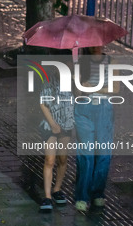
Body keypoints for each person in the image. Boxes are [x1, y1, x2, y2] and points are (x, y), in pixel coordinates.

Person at [74, 46, 119, 212]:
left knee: (104, 154)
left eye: (98, 42)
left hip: (104, 109)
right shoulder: (80, 63)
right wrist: (77, 81)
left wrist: (94, 88)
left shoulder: (111, 62)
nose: (95, 46)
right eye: (91, 43)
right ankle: (82, 196)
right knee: (85, 154)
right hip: (83, 109)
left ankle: (98, 193)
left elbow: (115, 89)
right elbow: (78, 94)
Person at [39, 64, 74, 211]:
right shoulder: (48, 81)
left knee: (62, 159)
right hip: (50, 125)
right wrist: (53, 124)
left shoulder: (73, 82)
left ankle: (57, 189)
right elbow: (43, 104)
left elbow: (80, 98)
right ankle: (47, 196)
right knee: (50, 160)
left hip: (67, 123)